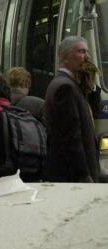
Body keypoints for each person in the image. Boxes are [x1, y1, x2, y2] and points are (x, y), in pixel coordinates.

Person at [45, 36, 99, 183]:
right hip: (73, 176)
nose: (87, 57)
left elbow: (92, 113)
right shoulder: (65, 87)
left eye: (87, 52)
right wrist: (83, 175)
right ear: (65, 57)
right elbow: (71, 137)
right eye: (81, 51)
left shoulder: (71, 84)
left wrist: (91, 85)